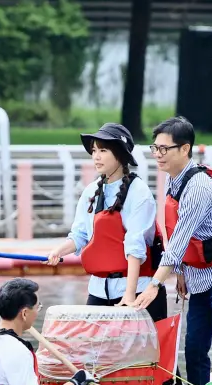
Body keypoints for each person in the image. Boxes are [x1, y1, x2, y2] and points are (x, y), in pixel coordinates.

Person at [133, 116, 212, 385]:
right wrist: (183, 273)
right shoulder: (174, 182)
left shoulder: (198, 185)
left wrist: (155, 284)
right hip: (199, 277)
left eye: (164, 149)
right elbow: (175, 234)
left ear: (185, 149)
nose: (158, 155)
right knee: (195, 348)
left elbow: (179, 240)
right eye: (154, 148)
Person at [45, 123, 165, 322]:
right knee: (91, 350)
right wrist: (59, 251)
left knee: (139, 353)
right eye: (93, 150)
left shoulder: (139, 193)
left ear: (120, 154)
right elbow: (80, 235)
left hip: (136, 290)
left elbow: (135, 247)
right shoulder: (91, 191)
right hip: (99, 291)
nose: (96, 156)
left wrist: (129, 295)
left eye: (103, 150)